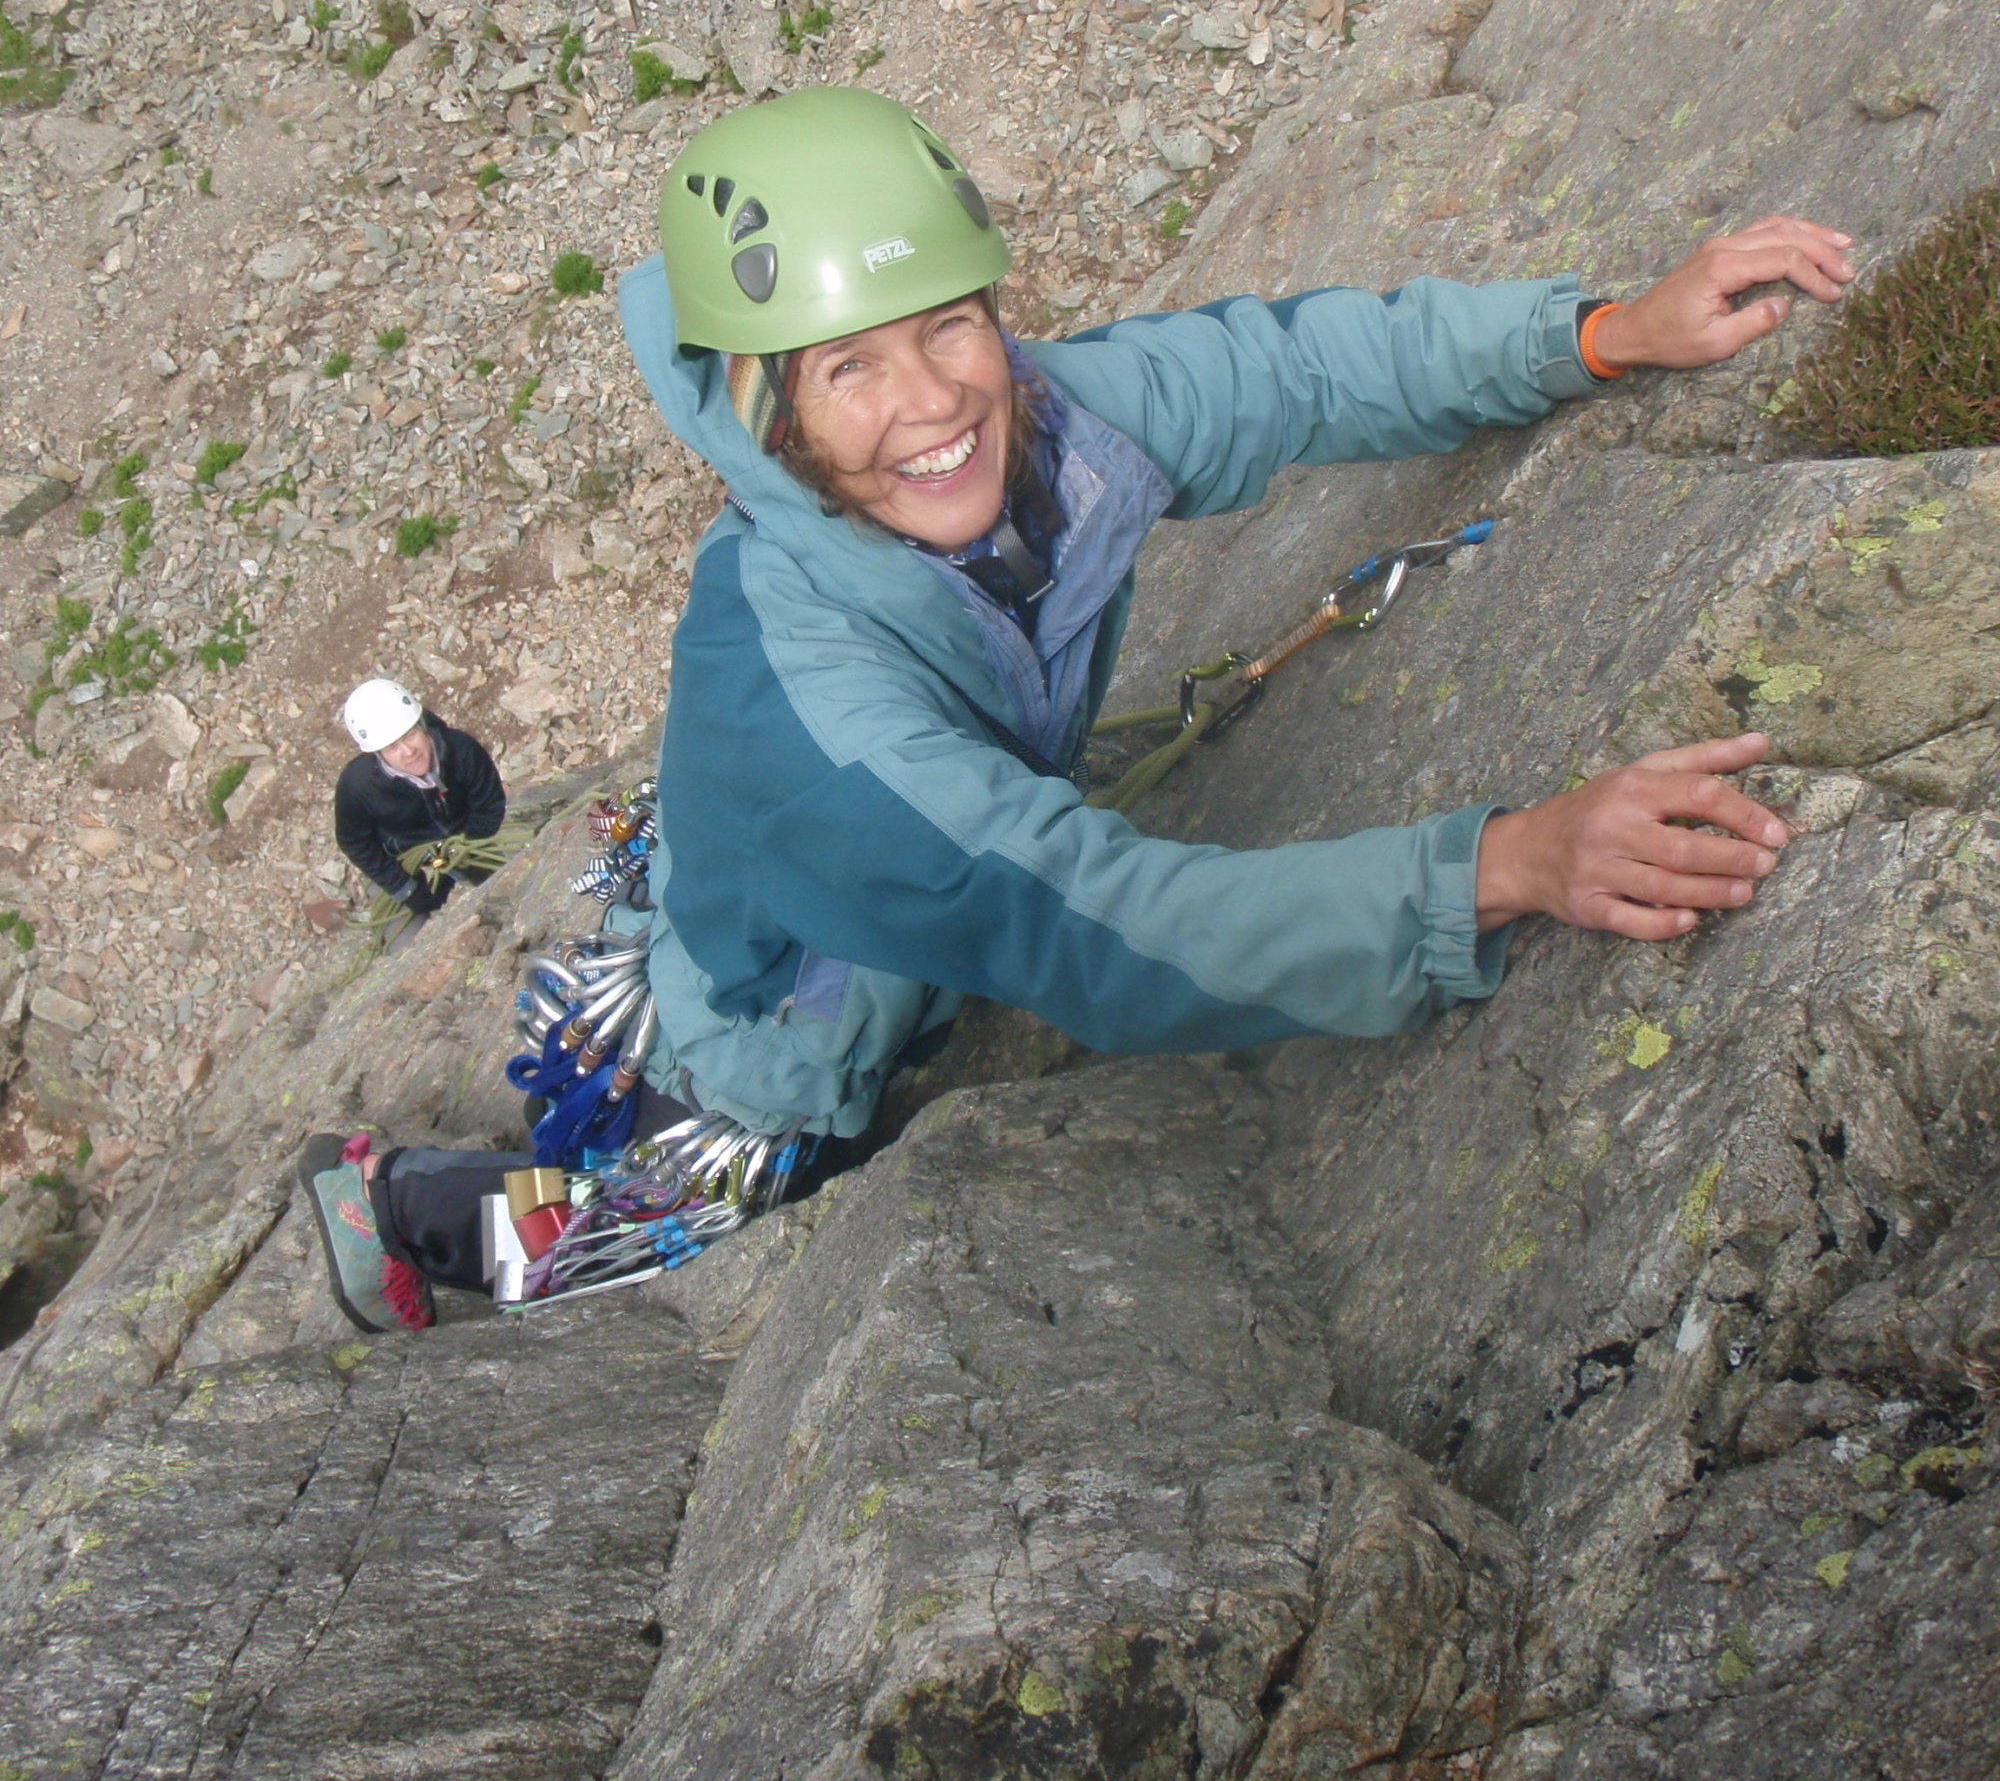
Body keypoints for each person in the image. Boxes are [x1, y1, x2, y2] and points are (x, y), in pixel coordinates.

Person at [301, 87, 1851, 1333]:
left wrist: (1599, 334)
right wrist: (1508, 863)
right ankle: (391, 1211)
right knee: (644, 1216)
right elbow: (1108, 932)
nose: (934, 402)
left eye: (949, 327)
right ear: (770, 412)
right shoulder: (825, 730)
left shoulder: (1046, 416)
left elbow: (1292, 371)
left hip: (881, 847)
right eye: (850, 368)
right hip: (780, 1011)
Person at [332, 678, 506, 933]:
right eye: (392, 747)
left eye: (410, 735)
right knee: (403, 946)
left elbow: (489, 804)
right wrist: (406, 888)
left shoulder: (460, 750)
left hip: (467, 840)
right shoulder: (358, 786)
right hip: (404, 861)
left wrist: (466, 851)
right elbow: (354, 842)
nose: (408, 751)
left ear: (422, 725)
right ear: (378, 753)